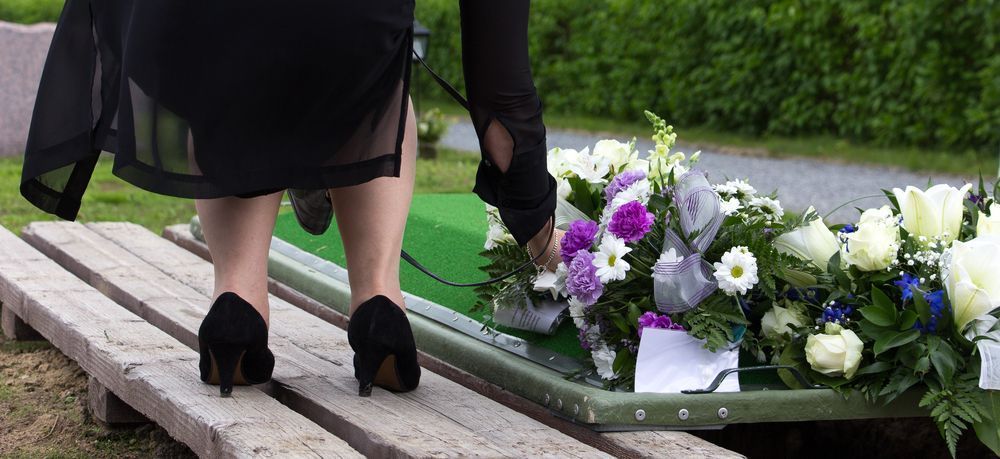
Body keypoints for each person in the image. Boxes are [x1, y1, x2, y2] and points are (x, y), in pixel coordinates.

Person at [20, 0, 562, 398]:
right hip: (344, 31)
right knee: (375, 83)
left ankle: (236, 303)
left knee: (232, 65)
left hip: (183, 20)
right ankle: (378, 303)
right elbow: (501, 91)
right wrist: (535, 217)